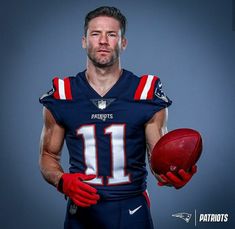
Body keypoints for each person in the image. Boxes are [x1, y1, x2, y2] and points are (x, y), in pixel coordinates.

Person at [39, 6, 197, 229]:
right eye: (96, 34)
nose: (103, 41)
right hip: (82, 210)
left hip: (132, 208)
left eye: (112, 34)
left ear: (123, 43)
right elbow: (48, 155)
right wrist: (62, 180)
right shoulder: (63, 93)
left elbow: (157, 159)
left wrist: (173, 173)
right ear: (84, 41)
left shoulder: (145, 92)